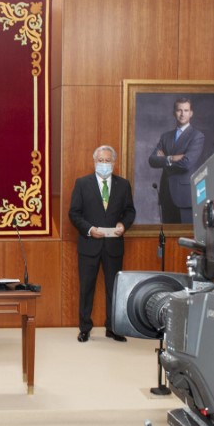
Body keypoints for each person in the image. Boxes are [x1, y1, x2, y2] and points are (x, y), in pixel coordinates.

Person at [69, 145, 136, 343]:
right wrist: (89, 229)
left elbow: (130, 211)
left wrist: (123, 225)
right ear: (95, 162)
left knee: (113, 289)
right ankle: (84, 328)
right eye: (101, 160)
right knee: (86, 288)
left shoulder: (123, 185)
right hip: (89, 245)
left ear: (113, 163)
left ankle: (113, 328)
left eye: (108, 161)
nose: (104, 164)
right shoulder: (82, 183)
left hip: (113, 246)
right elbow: (74, 213)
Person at [148, 98, 205, 224]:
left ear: (191, 113)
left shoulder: (197, 136)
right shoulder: (166, 136)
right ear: (174, 112)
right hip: (166, 194)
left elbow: (186, 164)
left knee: (185, 238)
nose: (182, 114)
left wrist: (163, 159)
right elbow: (152, 160)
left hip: (184, 196)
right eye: (179, 110)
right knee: (168, 238)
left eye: (186, 110)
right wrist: (171, 158)